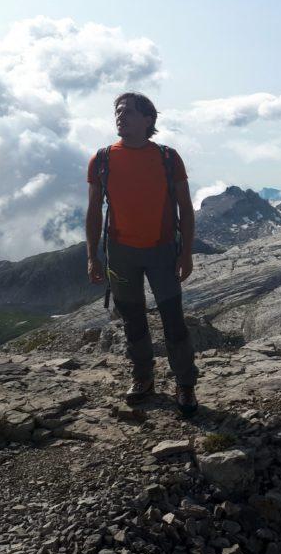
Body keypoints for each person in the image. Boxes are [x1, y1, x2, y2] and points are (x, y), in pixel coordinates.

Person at [85, 92, 199, 415]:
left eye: (129, 111)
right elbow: (94, 211)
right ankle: (143, 378)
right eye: (118, 111)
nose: (121, 115)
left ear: (148, 120)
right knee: (133, 320)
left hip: (162, 250)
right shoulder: (102, 160)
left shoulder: (167, 158)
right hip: (121, 252)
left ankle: (185, 383)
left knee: (173, 320)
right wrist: (93, 255)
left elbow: (185, 209)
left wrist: (186, 253)